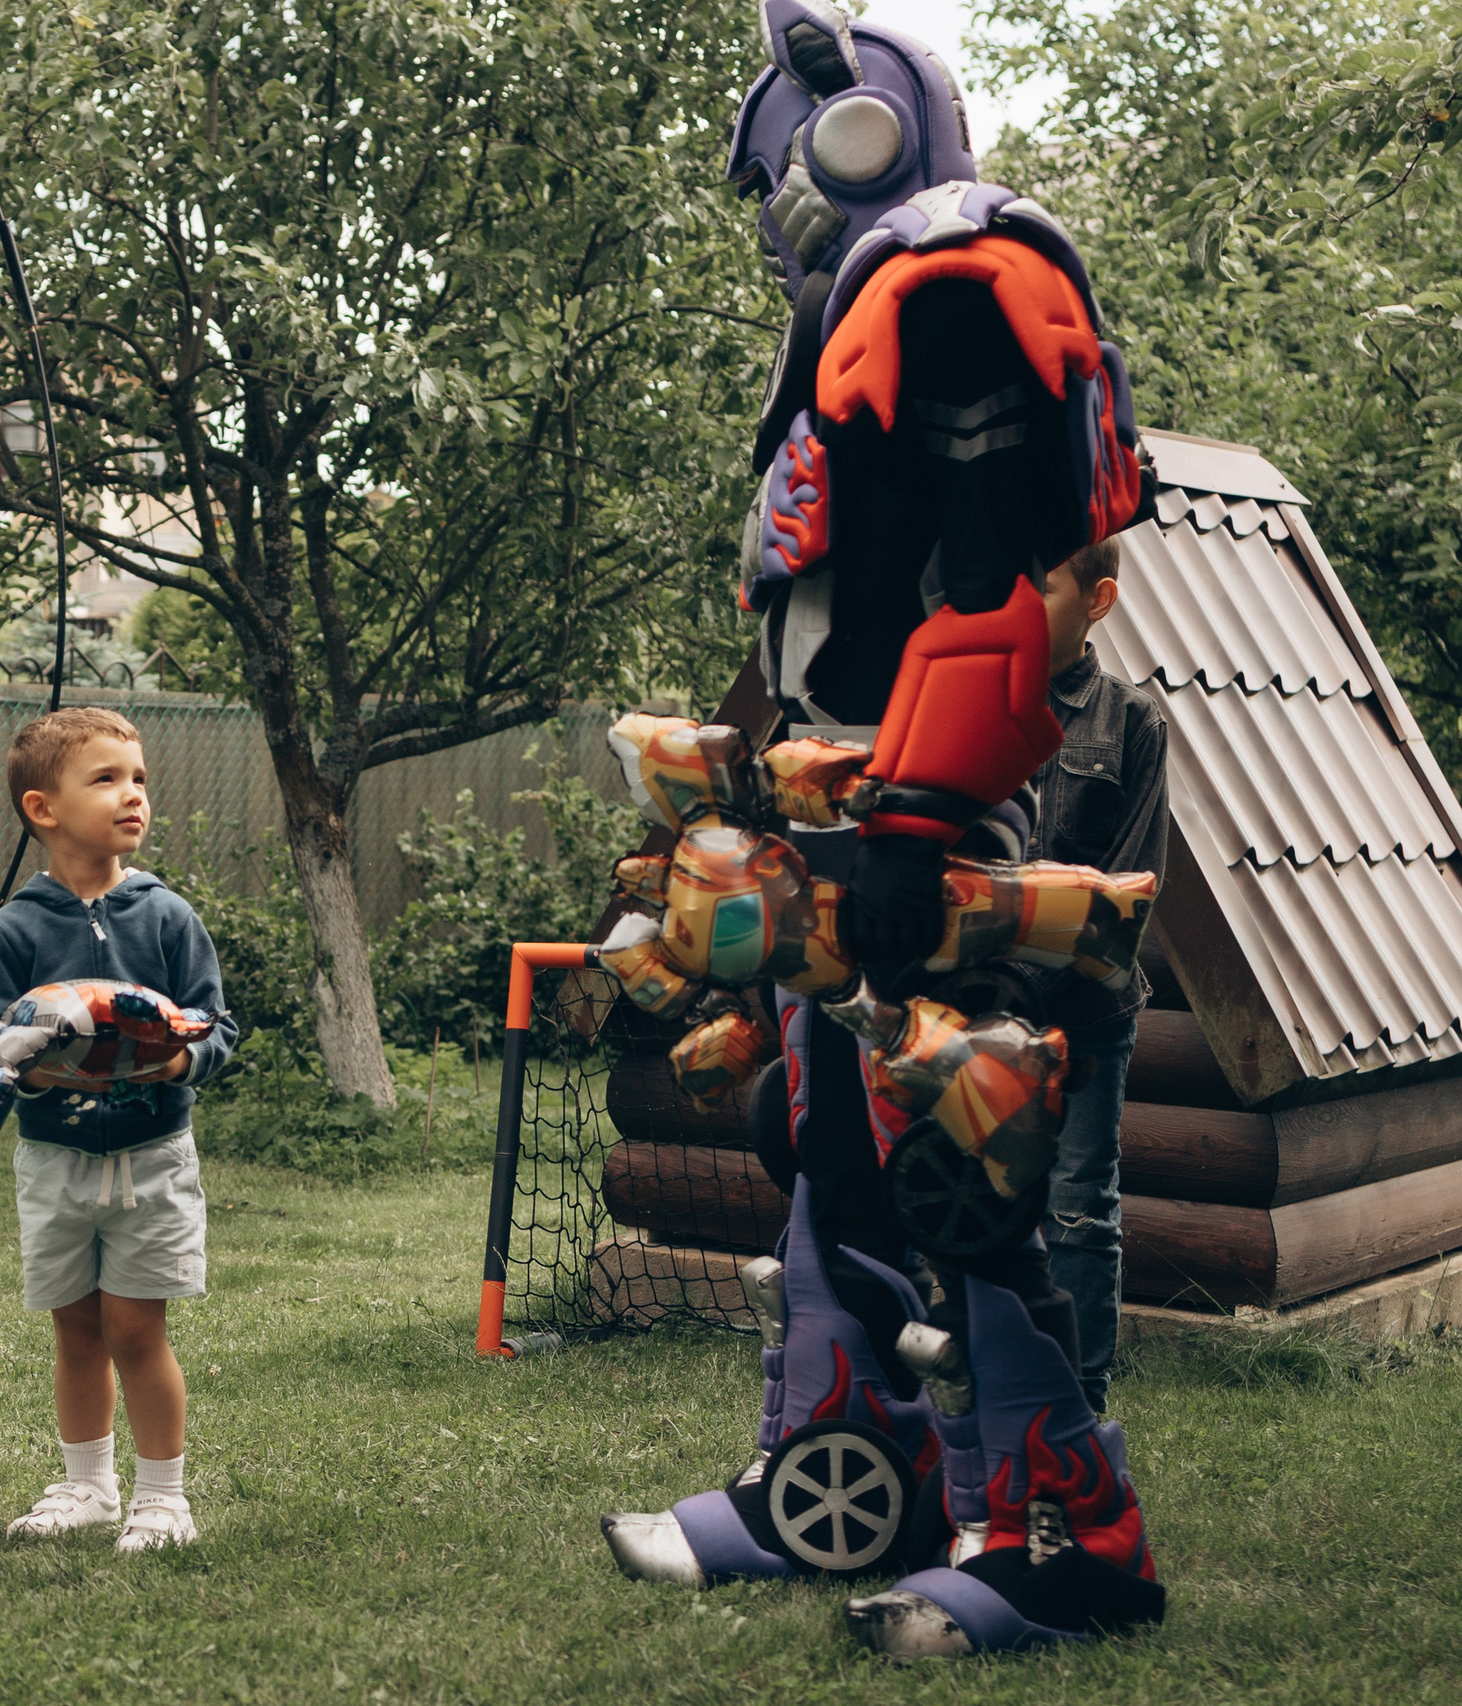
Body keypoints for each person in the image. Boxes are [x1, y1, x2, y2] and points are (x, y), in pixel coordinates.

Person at [599, 1, 1168, 1660]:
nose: (775, 188)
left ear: (850, 129)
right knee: (829, 1150)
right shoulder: (881, 295)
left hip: (930, 812)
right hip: (852, 803)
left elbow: (1020, 583)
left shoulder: (960, 280)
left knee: (958, 1155)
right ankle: (842, 1475)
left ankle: (1066, 1533)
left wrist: (919, 814)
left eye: (781, 147)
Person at [0, 707, 236, 1554]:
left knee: (135, 1329)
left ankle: (163, 1500)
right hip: (54, 1162)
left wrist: (178, 1060)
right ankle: (87, 1485)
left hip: (151, 1158)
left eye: (140, 779)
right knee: (75, 1328)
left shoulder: (166, 917)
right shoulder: (14, 929)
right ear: (44, 809)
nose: (134, 795)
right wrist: (31, 1063)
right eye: (108, 779)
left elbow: (216, 1025)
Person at [1032, 537, 1169, 1414]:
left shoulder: (1132, 722)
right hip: (977, 1008)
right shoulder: (968, 702)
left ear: (1098, 599)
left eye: (1039, 586)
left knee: (1080, 1204)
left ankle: (1079, 1402)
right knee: (966, 1193)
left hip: (1087, 1009)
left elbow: (1130, 890)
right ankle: (978, 1377)